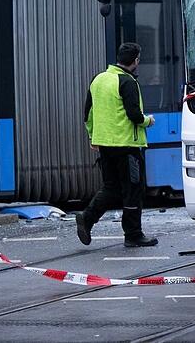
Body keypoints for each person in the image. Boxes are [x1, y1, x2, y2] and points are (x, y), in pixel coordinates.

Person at [77, 43, 159, 247]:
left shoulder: (98, 79)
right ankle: (133, 234)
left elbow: (88, 113)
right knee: (133, 190)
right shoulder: (128, 81)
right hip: (126, 146)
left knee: (112, 188)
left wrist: (93, 137)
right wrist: (148, 121)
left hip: (105, 145)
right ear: (136, 60)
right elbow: (134, 115)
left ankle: (87, 218)